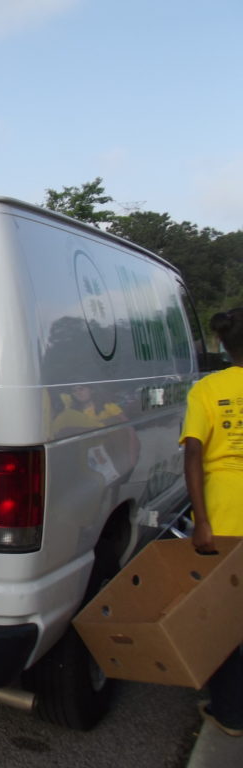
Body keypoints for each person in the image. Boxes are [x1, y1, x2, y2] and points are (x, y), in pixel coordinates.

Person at [180, 308, 243, 738]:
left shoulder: (208, 389)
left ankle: (229, 712)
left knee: (225, 618)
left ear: (221, 344)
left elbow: (193, 454)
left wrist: (201, 521)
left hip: (223, 514)